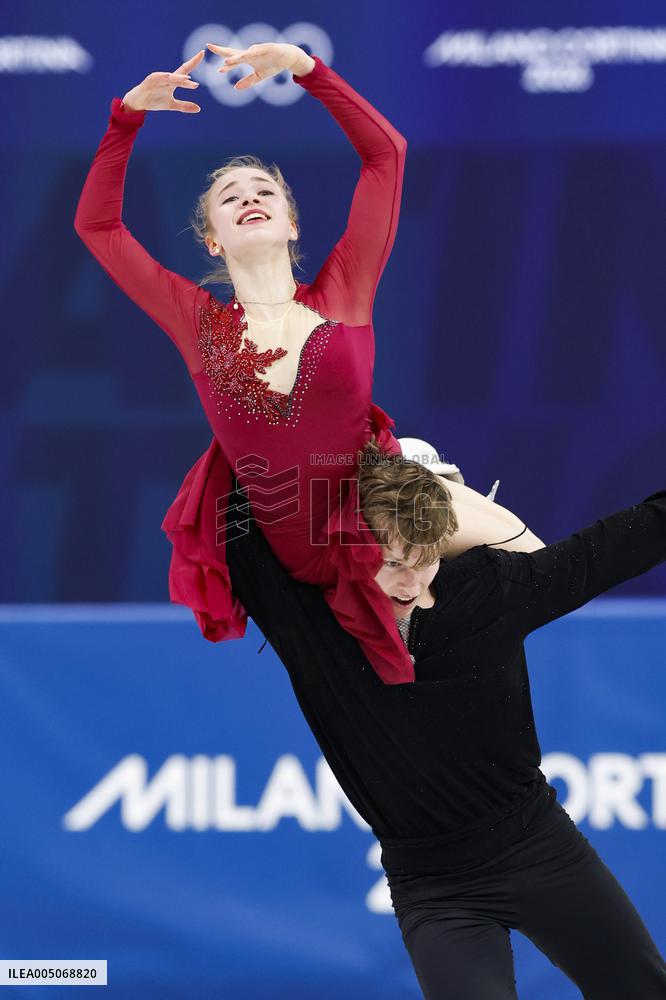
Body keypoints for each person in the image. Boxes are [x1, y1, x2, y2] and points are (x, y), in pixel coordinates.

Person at [73, 41, 540, 686]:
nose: (248, 198)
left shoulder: (343, 292)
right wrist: (124, 117)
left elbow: (387, 155)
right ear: (213, 238)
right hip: (300, 554)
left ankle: (432, 516)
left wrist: (306, 68)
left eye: (264, 190)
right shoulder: (199, 322)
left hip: (380, 519)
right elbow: (99, 228)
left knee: (536, 559)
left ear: (292, 222)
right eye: (229, 198)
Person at [224, 443, 666, 999]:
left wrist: (424, 501)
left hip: (542, 848)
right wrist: (339, 443)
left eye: (424, 558)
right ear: (348, 545)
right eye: (390, 563)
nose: (409, 584)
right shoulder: (305, 616)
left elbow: (613, 547)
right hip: (434, 888)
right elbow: (237, 498)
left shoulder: (490, 590)